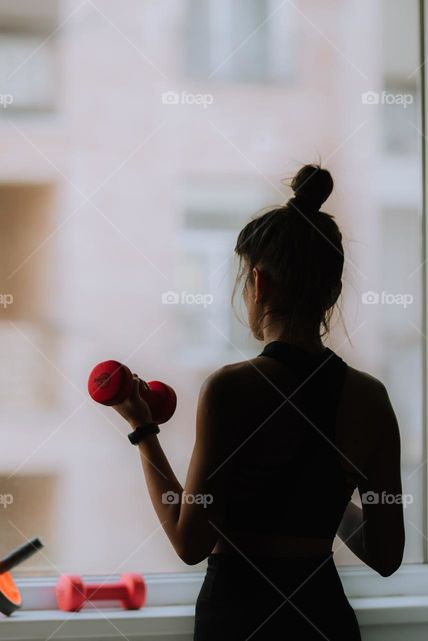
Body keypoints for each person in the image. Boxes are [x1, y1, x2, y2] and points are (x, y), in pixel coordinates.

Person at [114, 165, 404, 640]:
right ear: (332, 292)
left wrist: (143, 430)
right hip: (322, 618)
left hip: (240, 618)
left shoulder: (230, 388)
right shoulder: (371, 397)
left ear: (259, 284)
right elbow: (387, 555)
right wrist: (325, 493)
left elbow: (190, 542)